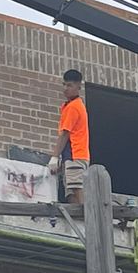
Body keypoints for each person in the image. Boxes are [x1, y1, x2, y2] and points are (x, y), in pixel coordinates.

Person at [51, 68, 92, 205]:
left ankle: (86, 219)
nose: (65, 88)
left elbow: (65, 134)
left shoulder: (74, 107)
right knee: (70, 190)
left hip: (76, 154)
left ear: (78, 86)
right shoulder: (68, 106)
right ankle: (77, 221)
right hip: (70, 156)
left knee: (76, 187)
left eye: (69, 85)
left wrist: (54, 156)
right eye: (64, 85)